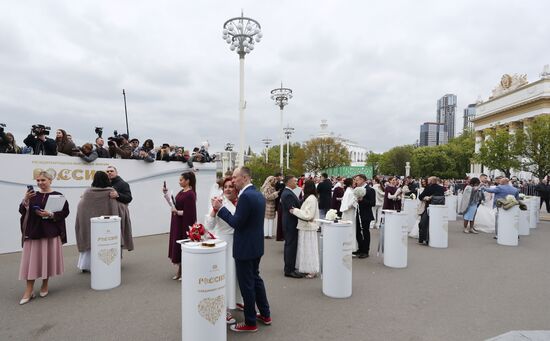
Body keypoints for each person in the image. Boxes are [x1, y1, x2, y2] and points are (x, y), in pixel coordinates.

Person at [212, 167, 271, 333]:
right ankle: (265, 314)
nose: (233, 180)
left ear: (244, 178)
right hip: (256, 245)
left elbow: (237, 222)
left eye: (235, 178)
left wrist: (220, 209)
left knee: (247, 285)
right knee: (256, 280)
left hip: (245, 247)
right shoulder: (258, 194)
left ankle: (250, 322)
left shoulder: (245, 196)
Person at [18, 171, 69, 304]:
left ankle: (45, 284)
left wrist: (51, 214)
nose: (40, 183)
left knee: (47, 260)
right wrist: (26, 200)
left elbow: (65, 212)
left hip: (50, 233)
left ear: (50, 181)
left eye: (43, 180)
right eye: (38, 180)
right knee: (31, 263)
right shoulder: (32, 195)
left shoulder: (58, 195)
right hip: (34, 232)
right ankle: (28, 291)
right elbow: (22, 211)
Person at [204, 177, 242, 324]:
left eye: (231, 186)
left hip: (238, 242)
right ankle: (224, 309)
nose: (227, 189)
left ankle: (236, 300)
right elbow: (209, 225)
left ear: (236, 189)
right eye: (225, 186)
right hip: (223, 243)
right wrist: (214, 209)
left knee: (237, 275)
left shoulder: (241, 202)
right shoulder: (218, 201)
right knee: (224, 275)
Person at [74, 171, 119, 271]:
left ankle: (85, 266)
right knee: (103, 243)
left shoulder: (88, 191)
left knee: (89, 240)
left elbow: (82, 206)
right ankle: (104, 265)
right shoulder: (110, 191)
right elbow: (113, 207)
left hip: (87, 220)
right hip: (104, 224)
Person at [164, 172, 196, 280]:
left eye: (181, 180)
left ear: (187, 181)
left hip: (184, 224)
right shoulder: (182, 192)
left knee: (183, 245)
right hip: (177, 222)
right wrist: (166, 194)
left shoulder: (190, 194)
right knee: (177, 245)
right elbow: (174, 204)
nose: (179, 181)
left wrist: (177, 212)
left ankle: (184, 272)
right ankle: (180, 271)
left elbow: (189, 213)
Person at [290, 180, 320, 278]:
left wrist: (295, 210)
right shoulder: (310, 198)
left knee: (309, 249)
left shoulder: (311, 199)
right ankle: (307, 268)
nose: (302, 186)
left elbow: (308, 215)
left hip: (308, 227)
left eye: (304, 185)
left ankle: (312, 269)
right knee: (306, 249)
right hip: (306, 227)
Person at [279, 175, 303, 278]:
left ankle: (290, 267)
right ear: (288, 182)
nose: (296, 182)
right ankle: (289, 270)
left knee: (290, 245)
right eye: (294, 181)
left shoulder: (288, 192)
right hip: (290, 223)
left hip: (289, 222)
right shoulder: (287, 193)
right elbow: (292, 209)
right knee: (290, 246)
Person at [105, 166, 134, 251]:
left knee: (118, 234)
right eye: (107, 171)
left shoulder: (123, 184)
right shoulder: (104, 184)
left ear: (116, 173)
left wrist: (118, 195)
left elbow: (129, 198)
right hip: (107, 213)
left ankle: (117, 258)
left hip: (119, 214)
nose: (109, 173)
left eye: (111, 171)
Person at [418, 176, 446, 245]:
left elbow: (420, 197)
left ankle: (423, 239)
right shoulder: (441, 188)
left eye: (428, 180)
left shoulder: (428, 188)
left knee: (424, 223)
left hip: (429, 208)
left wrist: (427, 198)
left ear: (431, 181)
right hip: (439, 209)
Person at [354, 174, 376, 258]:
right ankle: (360, 248)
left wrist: (363, 200)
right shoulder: (356, 189)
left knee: (365, 232)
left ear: (362, 180)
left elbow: (372, 203)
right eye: (355, 180)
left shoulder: (370, 190)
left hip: (366, 214)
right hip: (358, 213)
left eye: (357, 180)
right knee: (357, 232)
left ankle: (366, 251)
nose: (356, 181)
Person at [274, 173, 285, 241]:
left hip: (279, 202)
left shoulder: (279, 183)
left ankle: (281, 235)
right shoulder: (277, 183)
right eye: (281, 176)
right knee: (280, 220)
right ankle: (280, 236)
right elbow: (279, 191)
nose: (282, 177)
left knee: (281, 219)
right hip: (279, 202)